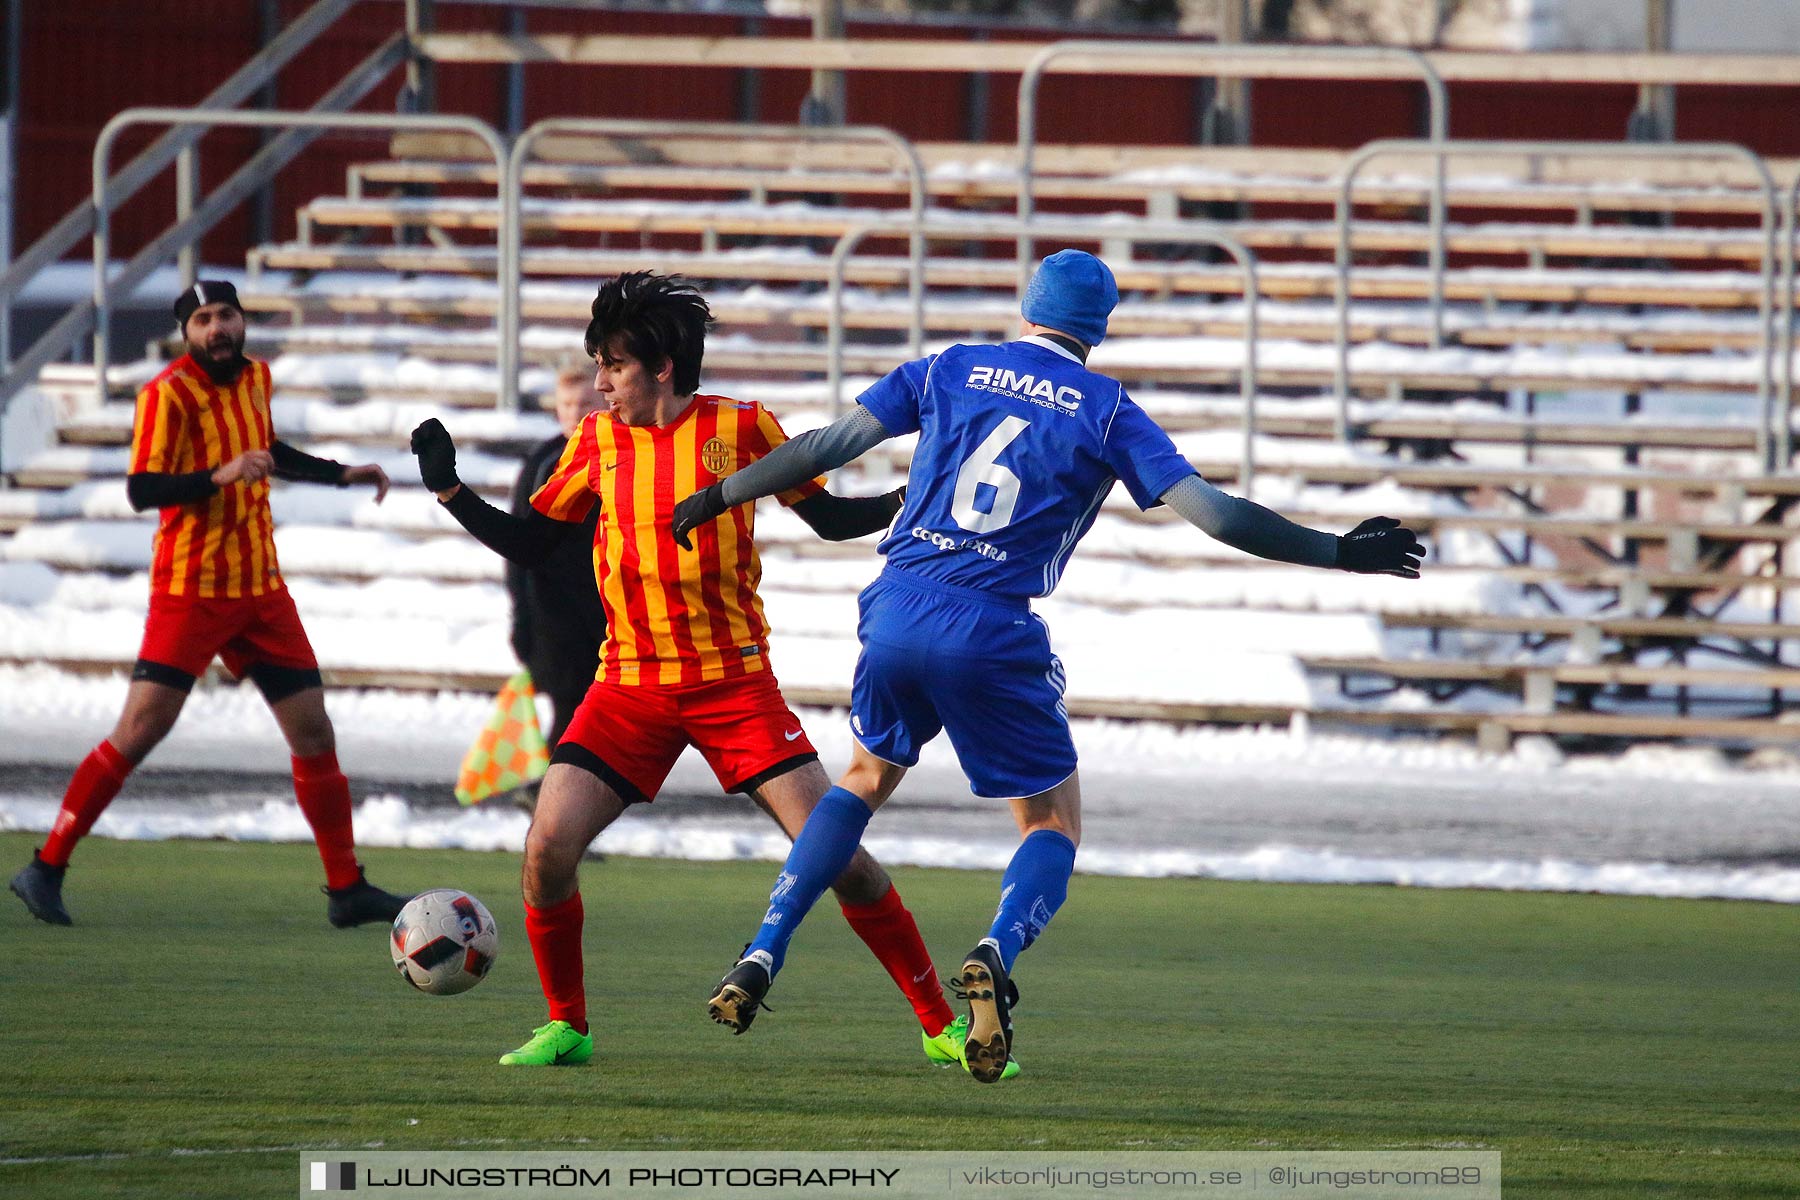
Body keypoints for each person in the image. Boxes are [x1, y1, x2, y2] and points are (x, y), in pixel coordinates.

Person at [673, 249, 1425, 1083]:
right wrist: (1337, 552)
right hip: (992, 627)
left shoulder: (949, 366)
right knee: (1052, 823)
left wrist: (718, 497)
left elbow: (827, 443)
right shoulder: (1106, 409)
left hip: (897, 604)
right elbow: (1213, 515)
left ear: (1025, 305)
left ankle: (764, 949)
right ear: (1098, 329)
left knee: (862, 779)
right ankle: (997, 948)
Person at [410, 271, 991, 1072]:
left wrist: (909, 496)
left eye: (612, 366)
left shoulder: (742, 428)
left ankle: (943, 1027)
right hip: (628, 687)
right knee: (547, 848)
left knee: (844, 861)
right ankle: (566, 1026)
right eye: (598, 366)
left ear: (661, 368)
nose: (601, 383)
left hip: (732, 685)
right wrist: (448, 490)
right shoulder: (594, 444)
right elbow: (535, 543)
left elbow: (828, 518)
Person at [9, 280, 409, 929]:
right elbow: (143, 489)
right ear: (187, 331)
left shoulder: (256, 377)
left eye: (226, 314)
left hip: (260, 589)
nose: (217, 328)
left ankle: (345, 887)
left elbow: (268, 451)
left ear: (241, 320)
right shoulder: (166, 393)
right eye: (203, 319)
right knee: (141, 730)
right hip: (191, 590)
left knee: (313, 729)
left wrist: (339, 472)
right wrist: (217, 476)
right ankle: (46, 866)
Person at [508, 357, 608, 749]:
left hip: (603, 605)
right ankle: (549, 795)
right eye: (566, 405)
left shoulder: (620, 452)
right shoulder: (545, 461)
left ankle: (557, 795)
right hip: (556, 611)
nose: (574, 414)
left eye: (584, 404)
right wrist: (521, 616)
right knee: (574, 712)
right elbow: (517, 544)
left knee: (591, 716)